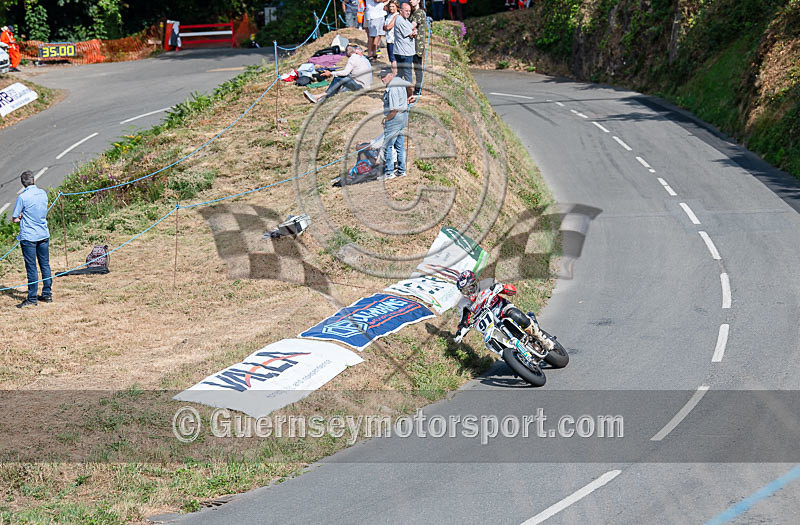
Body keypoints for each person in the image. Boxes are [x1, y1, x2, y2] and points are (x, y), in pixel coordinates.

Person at [452, 270, 554, 350]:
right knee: (492, 341)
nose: (468, 292)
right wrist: (460, 331)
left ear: (475, 283)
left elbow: (511, 290)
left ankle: (542, 339)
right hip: (491, 325)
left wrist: (503, 288)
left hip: (503, 310)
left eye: (469, 288)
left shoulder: (487, 283)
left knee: (514, 314)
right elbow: (463, 321)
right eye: (464, 290)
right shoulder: (464, 303)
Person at [11, 170, 52, 308]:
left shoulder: (22, 197)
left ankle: (32, 298)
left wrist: (20, 217)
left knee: (31, 267)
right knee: (45, 264)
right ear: (34, 180)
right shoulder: (43, 193)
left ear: (23, 184)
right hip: (43, 233)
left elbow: (15, 218)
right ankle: (47, 294)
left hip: (29, 236)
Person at [303, 45, 372, 104]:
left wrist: (331, 73)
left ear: (347, 54)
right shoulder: (362, 58)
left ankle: (319, 96)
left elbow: (345, 72)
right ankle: (322, 98)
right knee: (341, 79)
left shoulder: (352, 59)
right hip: (366, 85)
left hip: (361, 87)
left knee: (338, 79)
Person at [378, 66, 410, 181]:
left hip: (395, 118)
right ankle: (401, 171)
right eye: (381, 77)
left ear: (391, 75)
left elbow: (394, 109)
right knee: (399, 145)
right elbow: (410, 86)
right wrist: (409, 96)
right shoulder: (399, 81)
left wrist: (386, 119)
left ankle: (389, 173)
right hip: (404, 116)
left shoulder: (392, 88)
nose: (382, 79)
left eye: (384, 76)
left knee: (388, 146)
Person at [392, 1, 417, 92]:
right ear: (401, 10)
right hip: (404, 53)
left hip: (404, 51)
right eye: (406, 10)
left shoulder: (405, 20)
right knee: (407, 75)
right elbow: (411, 34)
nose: (408, 12)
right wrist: (414, 33)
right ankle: (409, 95)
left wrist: (414, 30)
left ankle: (396, 91)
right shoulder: (400, 20)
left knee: (400, 74)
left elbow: (412, 28)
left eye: (409, 11)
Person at [409, 0, 428, 96]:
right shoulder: (413, 12)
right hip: (412, 44)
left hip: (417, 44)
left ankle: (418, 89)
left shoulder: (419, 12)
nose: (411, 0)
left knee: (417, 67)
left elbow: (412, 26)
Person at [382, 0, 400, 74]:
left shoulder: (397, 15)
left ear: (397, 7)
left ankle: (395, 74)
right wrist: (385, 27)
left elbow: (388, 27)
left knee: (393, 59)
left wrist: (385, 27)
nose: (391, 8)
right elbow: (384, 27)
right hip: (389, 39)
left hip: (393, 40)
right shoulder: (389, 15)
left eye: (393, 6)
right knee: (391, 58)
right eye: (390, 6)